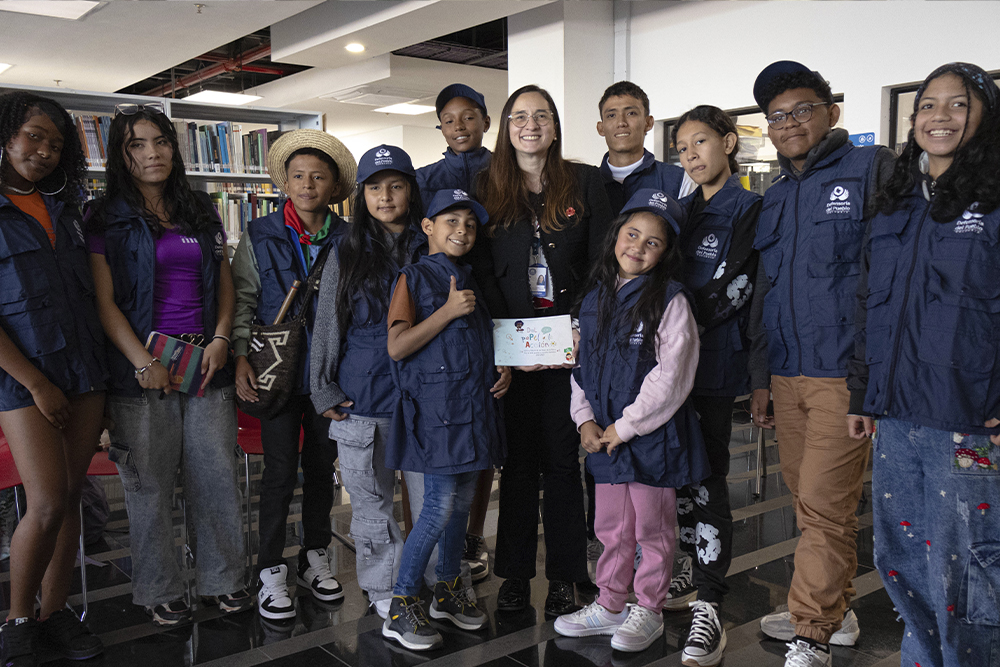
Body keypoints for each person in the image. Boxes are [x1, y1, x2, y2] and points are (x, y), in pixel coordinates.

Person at [847, 62, 1000, 667]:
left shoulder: (994, 201)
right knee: (901, 557)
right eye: (928, 106)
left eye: (958, 104)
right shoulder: (896, 205)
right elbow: (869, 305)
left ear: (985, 117)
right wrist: (864, 395)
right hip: (898, 416)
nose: (940, 116)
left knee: (970, 568)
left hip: (967, 416)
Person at [745, 61, 896, 667]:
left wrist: (869, 383)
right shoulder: (775, 196)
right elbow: (764, 292)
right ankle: (837, 610)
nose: (789, 124)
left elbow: (886, 278)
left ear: (831, 111)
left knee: (826, 504)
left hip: (842, 375)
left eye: (802, 109)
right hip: (786, 372)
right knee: (807, 503)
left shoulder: (871, 170)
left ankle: (811, 634)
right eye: (777, 116)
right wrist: (760, 380)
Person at [87, 103, 251, 626]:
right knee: (149, 485)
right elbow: (104, 301)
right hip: (141, 373)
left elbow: (223, 279)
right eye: (137, 145)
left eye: (160, 141)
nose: (152, 153)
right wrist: (141, 362)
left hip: (206, 361)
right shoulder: (103, 216)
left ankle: (222, 580)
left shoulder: (199, 208)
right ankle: (159, 589)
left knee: (216, 476)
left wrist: (223, 338)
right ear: (121, 154)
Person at [477, 84, 615, 616]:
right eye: (519, 116)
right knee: (516, 463)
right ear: (506, 128)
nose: (530, 124)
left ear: (554, 126)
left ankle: (565, 575)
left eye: (541, 116)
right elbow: (480, 267)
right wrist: (502, 338)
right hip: (510, 345)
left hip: (569, 345)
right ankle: (514, 574)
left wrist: (578, 324)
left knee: (561, 461)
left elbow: (604, 257)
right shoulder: (486, 185)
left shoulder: (585, 180)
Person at [554, 188, 709, 653]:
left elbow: (672, 377)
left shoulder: (671, 300)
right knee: (610, 529)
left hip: (648, 442)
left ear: (666, 253)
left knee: (652, 531)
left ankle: (649, 609)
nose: (638, 247)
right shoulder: (595, 298)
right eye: (632, 234)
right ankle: (610, 603)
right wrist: (584, 420)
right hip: (602, 439)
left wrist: (624, 427)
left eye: (653, 242)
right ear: (615, 235)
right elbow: (579, 367)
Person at [0, 91, 107, 667]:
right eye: (34, 136)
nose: (43, 151)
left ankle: (54, 611)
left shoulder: (65, 208)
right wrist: (36, 383)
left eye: (56, 144)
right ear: (7, 134)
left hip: (84, 367)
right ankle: (17, 618)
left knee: (70, 498)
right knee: (42, 502)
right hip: (23, 378)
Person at [232, 129, 356, 620]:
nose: (307, 185)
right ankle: (269, 568)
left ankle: (313, 555)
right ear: (285, 182)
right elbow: (242, 298)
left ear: (333, 187)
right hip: (275, 370)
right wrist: (241, 354)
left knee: (322, 469)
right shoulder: (260, 234)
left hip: (329, 374)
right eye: (299, 176)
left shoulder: (350, 237)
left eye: (318, 177)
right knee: (280, 471)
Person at [381, 188, 509, 651]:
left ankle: (449, 590)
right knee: (437, 508)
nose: (462, 230)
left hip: (472, 411)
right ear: (427, 227)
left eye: (470, 224)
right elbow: (397, 346)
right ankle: (401, 604)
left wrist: (503, 368)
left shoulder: (468, 277)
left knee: (460, 507)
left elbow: (476, 344)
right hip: (436, 416)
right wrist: (448, 311)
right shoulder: (413, 278)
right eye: (451, 221)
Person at [310, 144, 426, 620]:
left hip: (424, 396)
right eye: (374, 187)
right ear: (361, 196)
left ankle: (429, 582)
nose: (385, 196)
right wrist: (322, 386)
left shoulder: (433, 240)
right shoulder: (346, 249)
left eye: (396, 185)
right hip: (364, 392)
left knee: (432, 501)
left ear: (410, 191)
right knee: (372, 503)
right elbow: (328, 322)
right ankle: (382, 590)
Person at [668, 106, 763, 666]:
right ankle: (683, 569)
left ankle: (710, 602)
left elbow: (742, 283)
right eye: (681, 147)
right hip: (667, 369)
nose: (691, 154)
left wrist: (676, 328)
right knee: (676, 475)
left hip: (712, 365)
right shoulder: (679, 212)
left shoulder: (749, 206)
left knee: (708, 479)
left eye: (700, 142)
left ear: (728, 142)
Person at [415, 83, 496, 583]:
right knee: (436, 439)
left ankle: (469, 537)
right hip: (439, 304)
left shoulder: (504, 171)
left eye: (469, 116)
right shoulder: (425, 178)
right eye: (449, 118)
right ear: (440, 126)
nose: (460, 126)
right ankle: (424, 542)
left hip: (493, 303)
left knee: (482, 430)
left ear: (485, 121)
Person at [596, 81, 692, 214]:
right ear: (601, 128)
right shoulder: (588, 184)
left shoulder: (679, 180)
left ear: (648, 123)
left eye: (631, 113)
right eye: (611, 115)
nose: (621, 123)